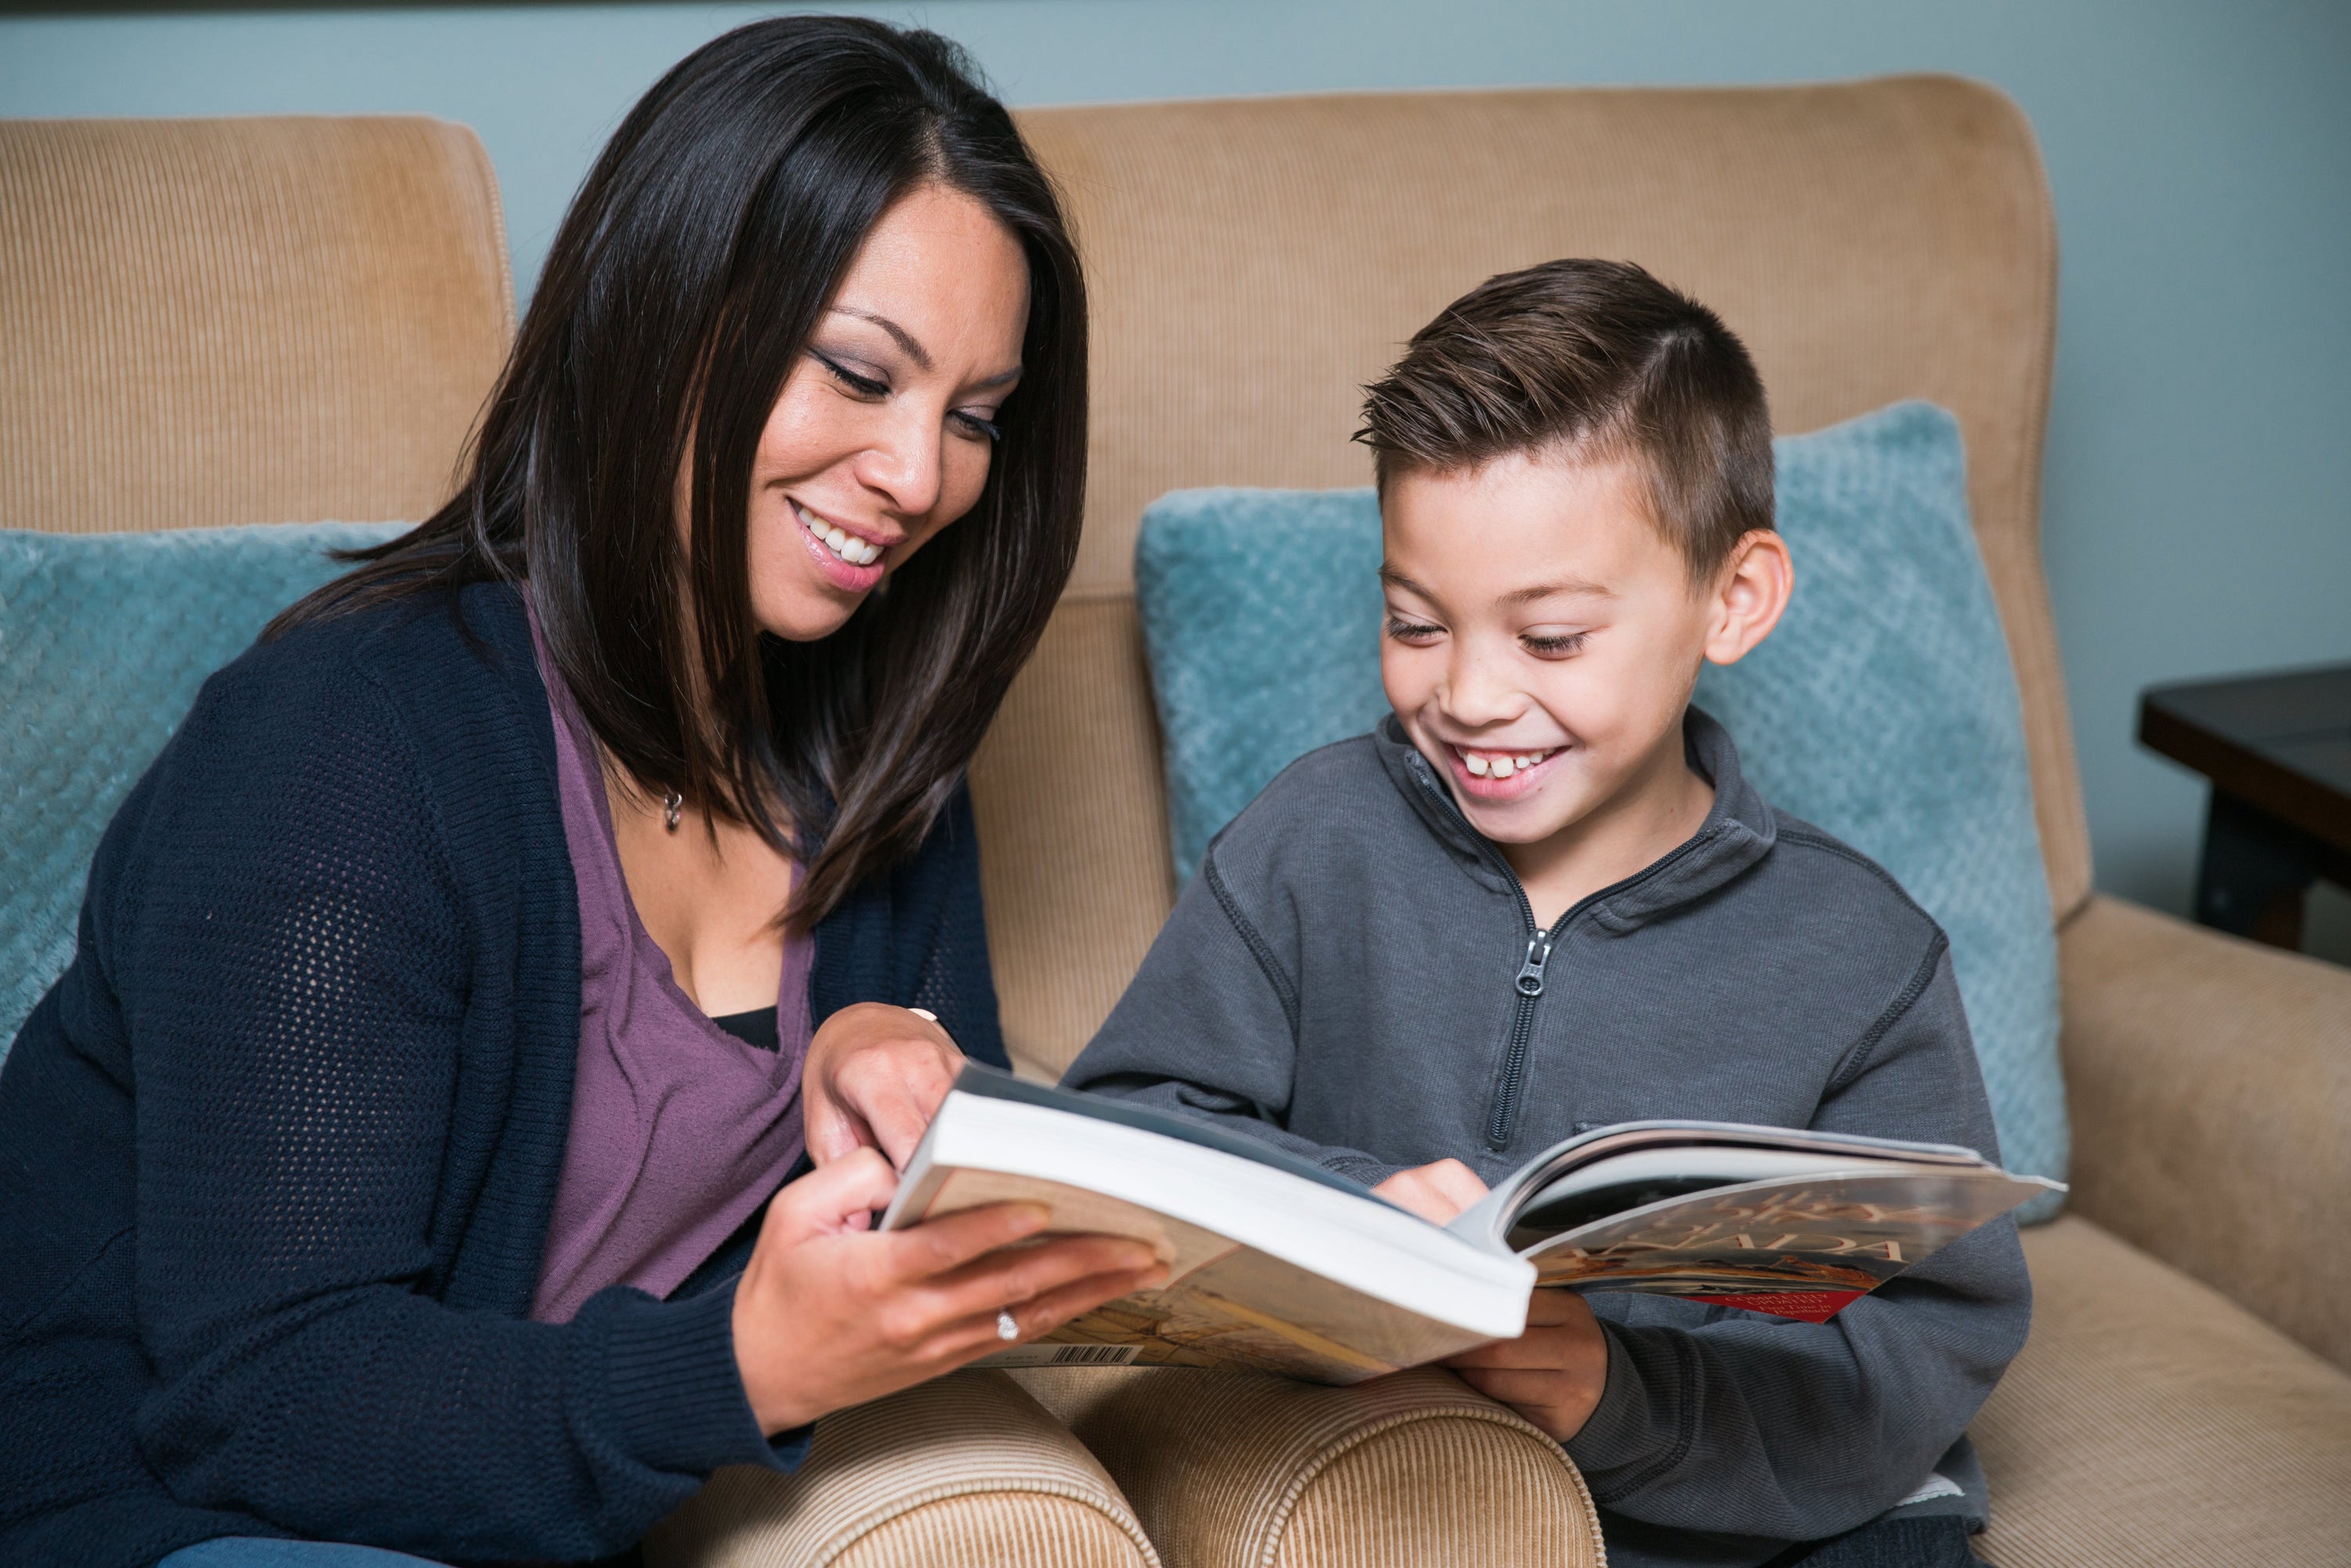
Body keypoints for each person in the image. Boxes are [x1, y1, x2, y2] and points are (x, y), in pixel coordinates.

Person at [0, 20, 1163, 1568]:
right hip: (173, 1512)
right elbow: (260, 1394)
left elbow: (900, 1273)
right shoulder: (348, 743)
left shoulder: (886, 777)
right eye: (862, 372)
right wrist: (741, 1367)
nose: (917, 474)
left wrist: (896, 1072)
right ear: (665, 314)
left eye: (974, 415)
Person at [1059, 260, 2030, 1568]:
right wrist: (1353, 1204)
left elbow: (1926, 1330)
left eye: (1552, 638)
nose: (1467, 694)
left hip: (1794, 1514)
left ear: (1732, 599)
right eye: (1415, 620)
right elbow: (1130, 1128)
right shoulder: (1315, 840)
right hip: (1436, 1481)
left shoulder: (1861, 952)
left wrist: (1622, 1396)